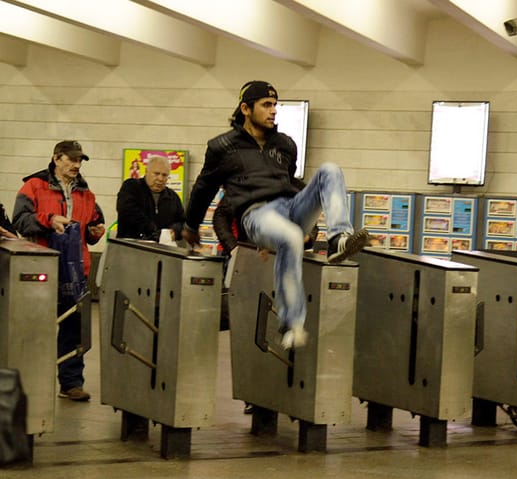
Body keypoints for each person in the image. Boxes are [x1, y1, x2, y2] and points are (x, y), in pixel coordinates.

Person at [182, 80, 368, 349]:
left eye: (275, 105)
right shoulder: (222, 147)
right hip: (256, 214)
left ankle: (338, 237)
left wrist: (308, 226)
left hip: (288, 207)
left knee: (329, 170)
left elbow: (289, 182)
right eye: (266, 105)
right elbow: (203, 187)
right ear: (246, 108)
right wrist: (191, 224)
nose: (273, 111)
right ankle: (291, 323)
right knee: (291, 236)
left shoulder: (285, 145)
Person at [13, 140, 105, 402]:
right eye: (71, 159)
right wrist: (48, 219)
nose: (76, 165)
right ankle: (28, 382)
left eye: (79, 161)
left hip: (76, 271)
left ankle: (71, 383)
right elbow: (20, 220)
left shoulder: (86, 194)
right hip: (41, 267)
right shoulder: (33, 187)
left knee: (73, 328)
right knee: (35, 328)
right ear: (56, 158)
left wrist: (94, 232)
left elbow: (94, 224)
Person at [116, 155, 185, 242]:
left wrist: (175, 231)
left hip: (162, 250)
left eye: (164, 175)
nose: (160, 179)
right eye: (156, 174)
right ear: (146, 172)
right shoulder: (131, 187)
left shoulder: (172, 197)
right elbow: (126, 211)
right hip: (131, 247)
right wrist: (153, 230)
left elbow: (182, 222)